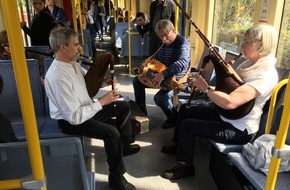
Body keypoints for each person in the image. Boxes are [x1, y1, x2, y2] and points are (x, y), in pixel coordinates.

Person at [161, 24, 279, 180]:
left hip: (238, 128)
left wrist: (206, 89)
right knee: (185, 111)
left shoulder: (265, 75)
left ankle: (185, 166)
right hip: (226, 115)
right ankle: (179, 146)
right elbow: (232, 89)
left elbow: (230, 102)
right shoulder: (248, 64)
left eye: (247, 41)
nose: (242, 45)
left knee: (188, 126)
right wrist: (205, 86)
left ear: (261, 45)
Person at [44, 27, 140, 190]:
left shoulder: (72, 63)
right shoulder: (58, 77)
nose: (80, 48)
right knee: (111, 133)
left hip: (86, 109)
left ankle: (123, 146)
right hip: (71, 121)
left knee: (122, 106)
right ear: (63, 47)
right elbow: (74, 116)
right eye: (76, 45)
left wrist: (105, 82)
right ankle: (116, 178)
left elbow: (88, 82)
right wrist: (102, 102)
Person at [132, 19, 190, 129]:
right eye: (160, 36)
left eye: (165, 35)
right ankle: (142, 113)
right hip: (161, 74)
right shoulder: (162, 42)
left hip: (176, 78)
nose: (163, 39)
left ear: (172, 30)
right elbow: (156, 60)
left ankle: (173, 117)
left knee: (159, 98)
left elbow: (183, 62)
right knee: (137, 81)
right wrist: (142, 69)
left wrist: (163, 74)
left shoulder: (182, 42)